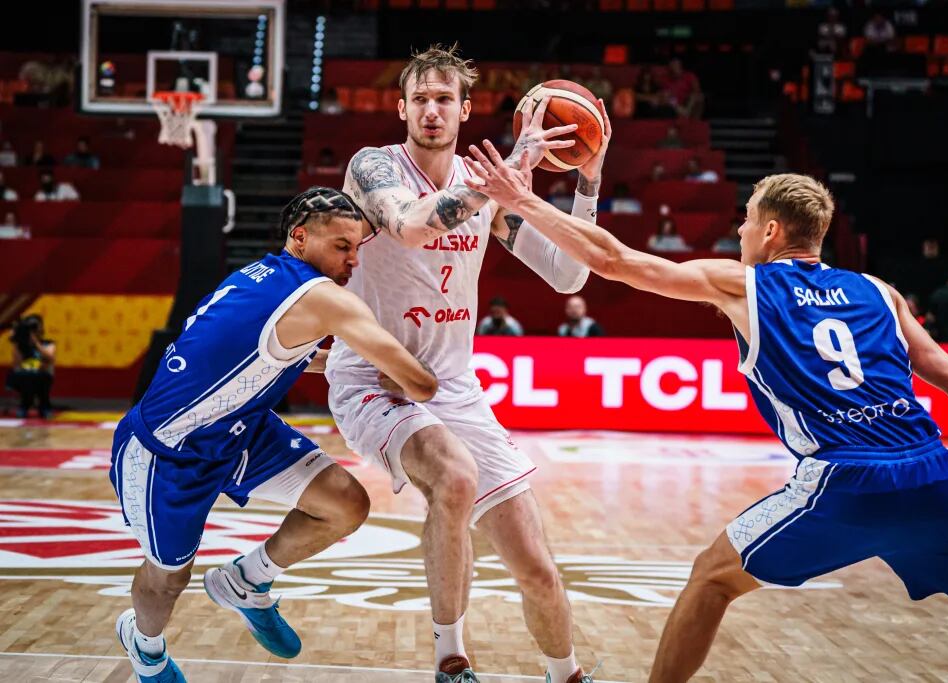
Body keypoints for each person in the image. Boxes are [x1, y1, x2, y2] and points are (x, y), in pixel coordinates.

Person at [462, 152, 948, 681]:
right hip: (930, 473)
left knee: (710, 577)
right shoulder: (879, 291)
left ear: (773, 231)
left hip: (846, 478)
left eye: (748, 221)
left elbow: (615, 261)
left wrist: (523, 200)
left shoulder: (744, 284)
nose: (740, 232)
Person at [333, 44, 601, 683]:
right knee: (453, 479)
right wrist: (501, 177)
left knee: (536, 565)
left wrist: (587, 180)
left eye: (443, 99)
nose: (431, 110)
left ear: (465, 109)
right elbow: (411, 227)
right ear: (401, 108)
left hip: (455, 385)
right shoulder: (373, 169)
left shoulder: (490, 189)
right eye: (420, 99)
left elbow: (567, 273)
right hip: (376, 378)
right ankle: (450, 659)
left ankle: (565, 674)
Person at [109, 187, 438, 683]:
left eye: (357, 247)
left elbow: (288, 353)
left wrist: (351, 368)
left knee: (345, 504)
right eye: (341, 246)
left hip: (241, 428)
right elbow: (422, 383)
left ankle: (247, 580)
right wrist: (408, 368)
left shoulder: (266, 274)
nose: (353, 259)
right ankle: (145, 647)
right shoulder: (323, 297)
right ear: (300, 238)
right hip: (169, 451)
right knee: (168, 579)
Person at [5, 314, 55, 419]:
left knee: (38, 377)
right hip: (25, 375)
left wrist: (36, 343)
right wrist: (16, 342)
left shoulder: (48, 343)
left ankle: (43, 406)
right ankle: (25, 406)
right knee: (25, 377)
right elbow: (17, 364)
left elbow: (49, 358)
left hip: (43, 375)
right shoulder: (21, 346)